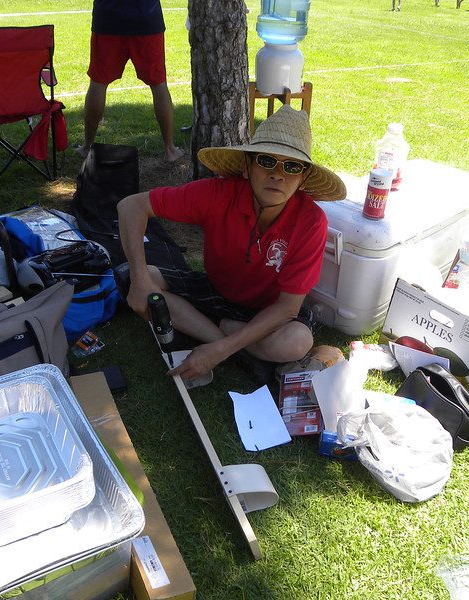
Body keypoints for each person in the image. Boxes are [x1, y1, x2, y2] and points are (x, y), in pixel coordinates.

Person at [117, 105, 347, 383]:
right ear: (247, 167)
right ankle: (233, 345)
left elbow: (287, 308)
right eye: (266, 161)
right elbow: (131, 206)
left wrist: (221, 349)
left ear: (302, 179)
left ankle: (216, 333)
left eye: (291, 166)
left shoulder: (311, 221)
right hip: (216, 290)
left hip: (268, 310)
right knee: (136, 279)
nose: (277, 175)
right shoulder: (218, 193)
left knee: (297, 342)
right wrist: (140, 279)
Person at [78, 0, 183, 162]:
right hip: (146, 20)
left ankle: (88, 146)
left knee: (98, 82)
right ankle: (170, 150)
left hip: (108, 20)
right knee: (158, 84)